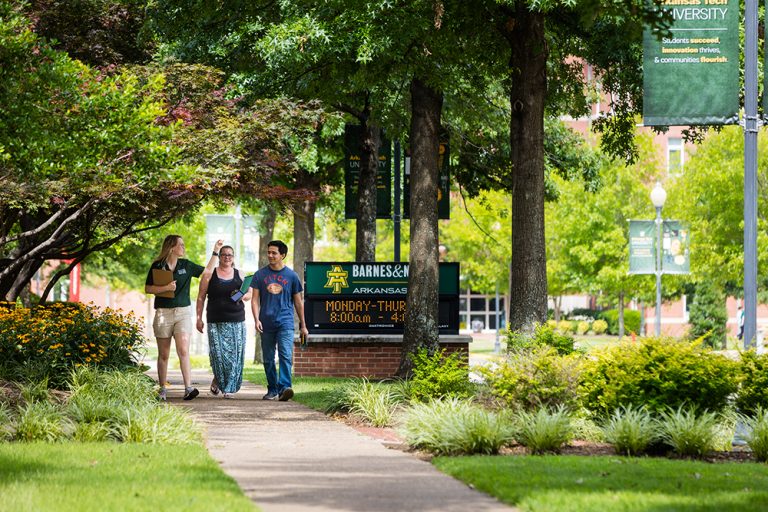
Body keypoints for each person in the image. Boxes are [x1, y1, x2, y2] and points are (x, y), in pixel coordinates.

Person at [145, 235, 221, 401]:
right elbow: (148, 289)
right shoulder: (157, 266)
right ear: (172, 247)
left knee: (184, 350)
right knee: (163, 354)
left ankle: (188, 388)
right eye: (181, 244)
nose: (184, 247)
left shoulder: (186, 265)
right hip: (163, 313)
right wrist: (165, 287)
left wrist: (215, 252)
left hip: (183, 312)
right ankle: (162, 389)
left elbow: (207, 272)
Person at [250, 240, 308, 401]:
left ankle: (284, 388)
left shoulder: (291, 276)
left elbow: (298, 302)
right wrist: (256, 319)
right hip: (265, 323)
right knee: (268, 359)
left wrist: (303, 325)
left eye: (274, 253)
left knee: (285, 355)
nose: (270, 255)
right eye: (269, 252)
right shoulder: (260, 275)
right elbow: (254, 300)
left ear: (282, 255)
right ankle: (272, 389)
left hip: (285, 322)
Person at [196, 245, 252, 399]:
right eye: (224, 255)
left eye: (230, 255)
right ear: (219, 256)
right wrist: (198, 318)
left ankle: (228, 388)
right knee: (218, 356)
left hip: (236, 320)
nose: (227, 257)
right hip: (215, 320)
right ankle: (218, 379)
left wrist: (243, 296)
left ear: (233, 258)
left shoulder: (239, 274)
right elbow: (201, 297)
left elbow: (249, 293)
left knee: (234, 356)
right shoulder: (209, 274)